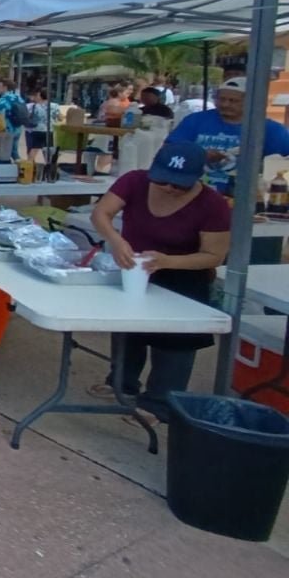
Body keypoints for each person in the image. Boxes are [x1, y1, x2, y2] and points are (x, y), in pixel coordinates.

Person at [89, 141, 231, 424]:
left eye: (179, 185)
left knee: (174, 341)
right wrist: (116, 240)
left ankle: (159, 400)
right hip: (136, 269)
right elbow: (101, 213)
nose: (169, 188)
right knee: (127, 329)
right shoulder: (134, 182)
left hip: (184, 276)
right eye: (163, 180)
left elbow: (214, 255)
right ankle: (122, 382)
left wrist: (167, 261)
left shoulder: (213, 205)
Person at [168, 77, 289, 195]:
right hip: (193, 191)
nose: (225, 104)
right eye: (221, 99)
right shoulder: (195, 120)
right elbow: (169, 149)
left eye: (233, 101)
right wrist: (199, 154)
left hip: (242, 196)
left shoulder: (268, 129)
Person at [25, 89, 63, 161]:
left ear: (40, 96)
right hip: (49, 131)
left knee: (33, 150)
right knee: (49, 152)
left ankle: (29, 166)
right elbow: (60, 118)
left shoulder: (34, 106)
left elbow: (28, 117)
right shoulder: (55, 106)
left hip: (36, 130)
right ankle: (49, 167)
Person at [0, 79, 27, 158]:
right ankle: (19, 167)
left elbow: (0, 116)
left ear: (5, 87)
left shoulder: (2, 100)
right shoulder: (19, 98)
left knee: (4, 153)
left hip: (6, 129)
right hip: (18, 127)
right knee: (14, 151)